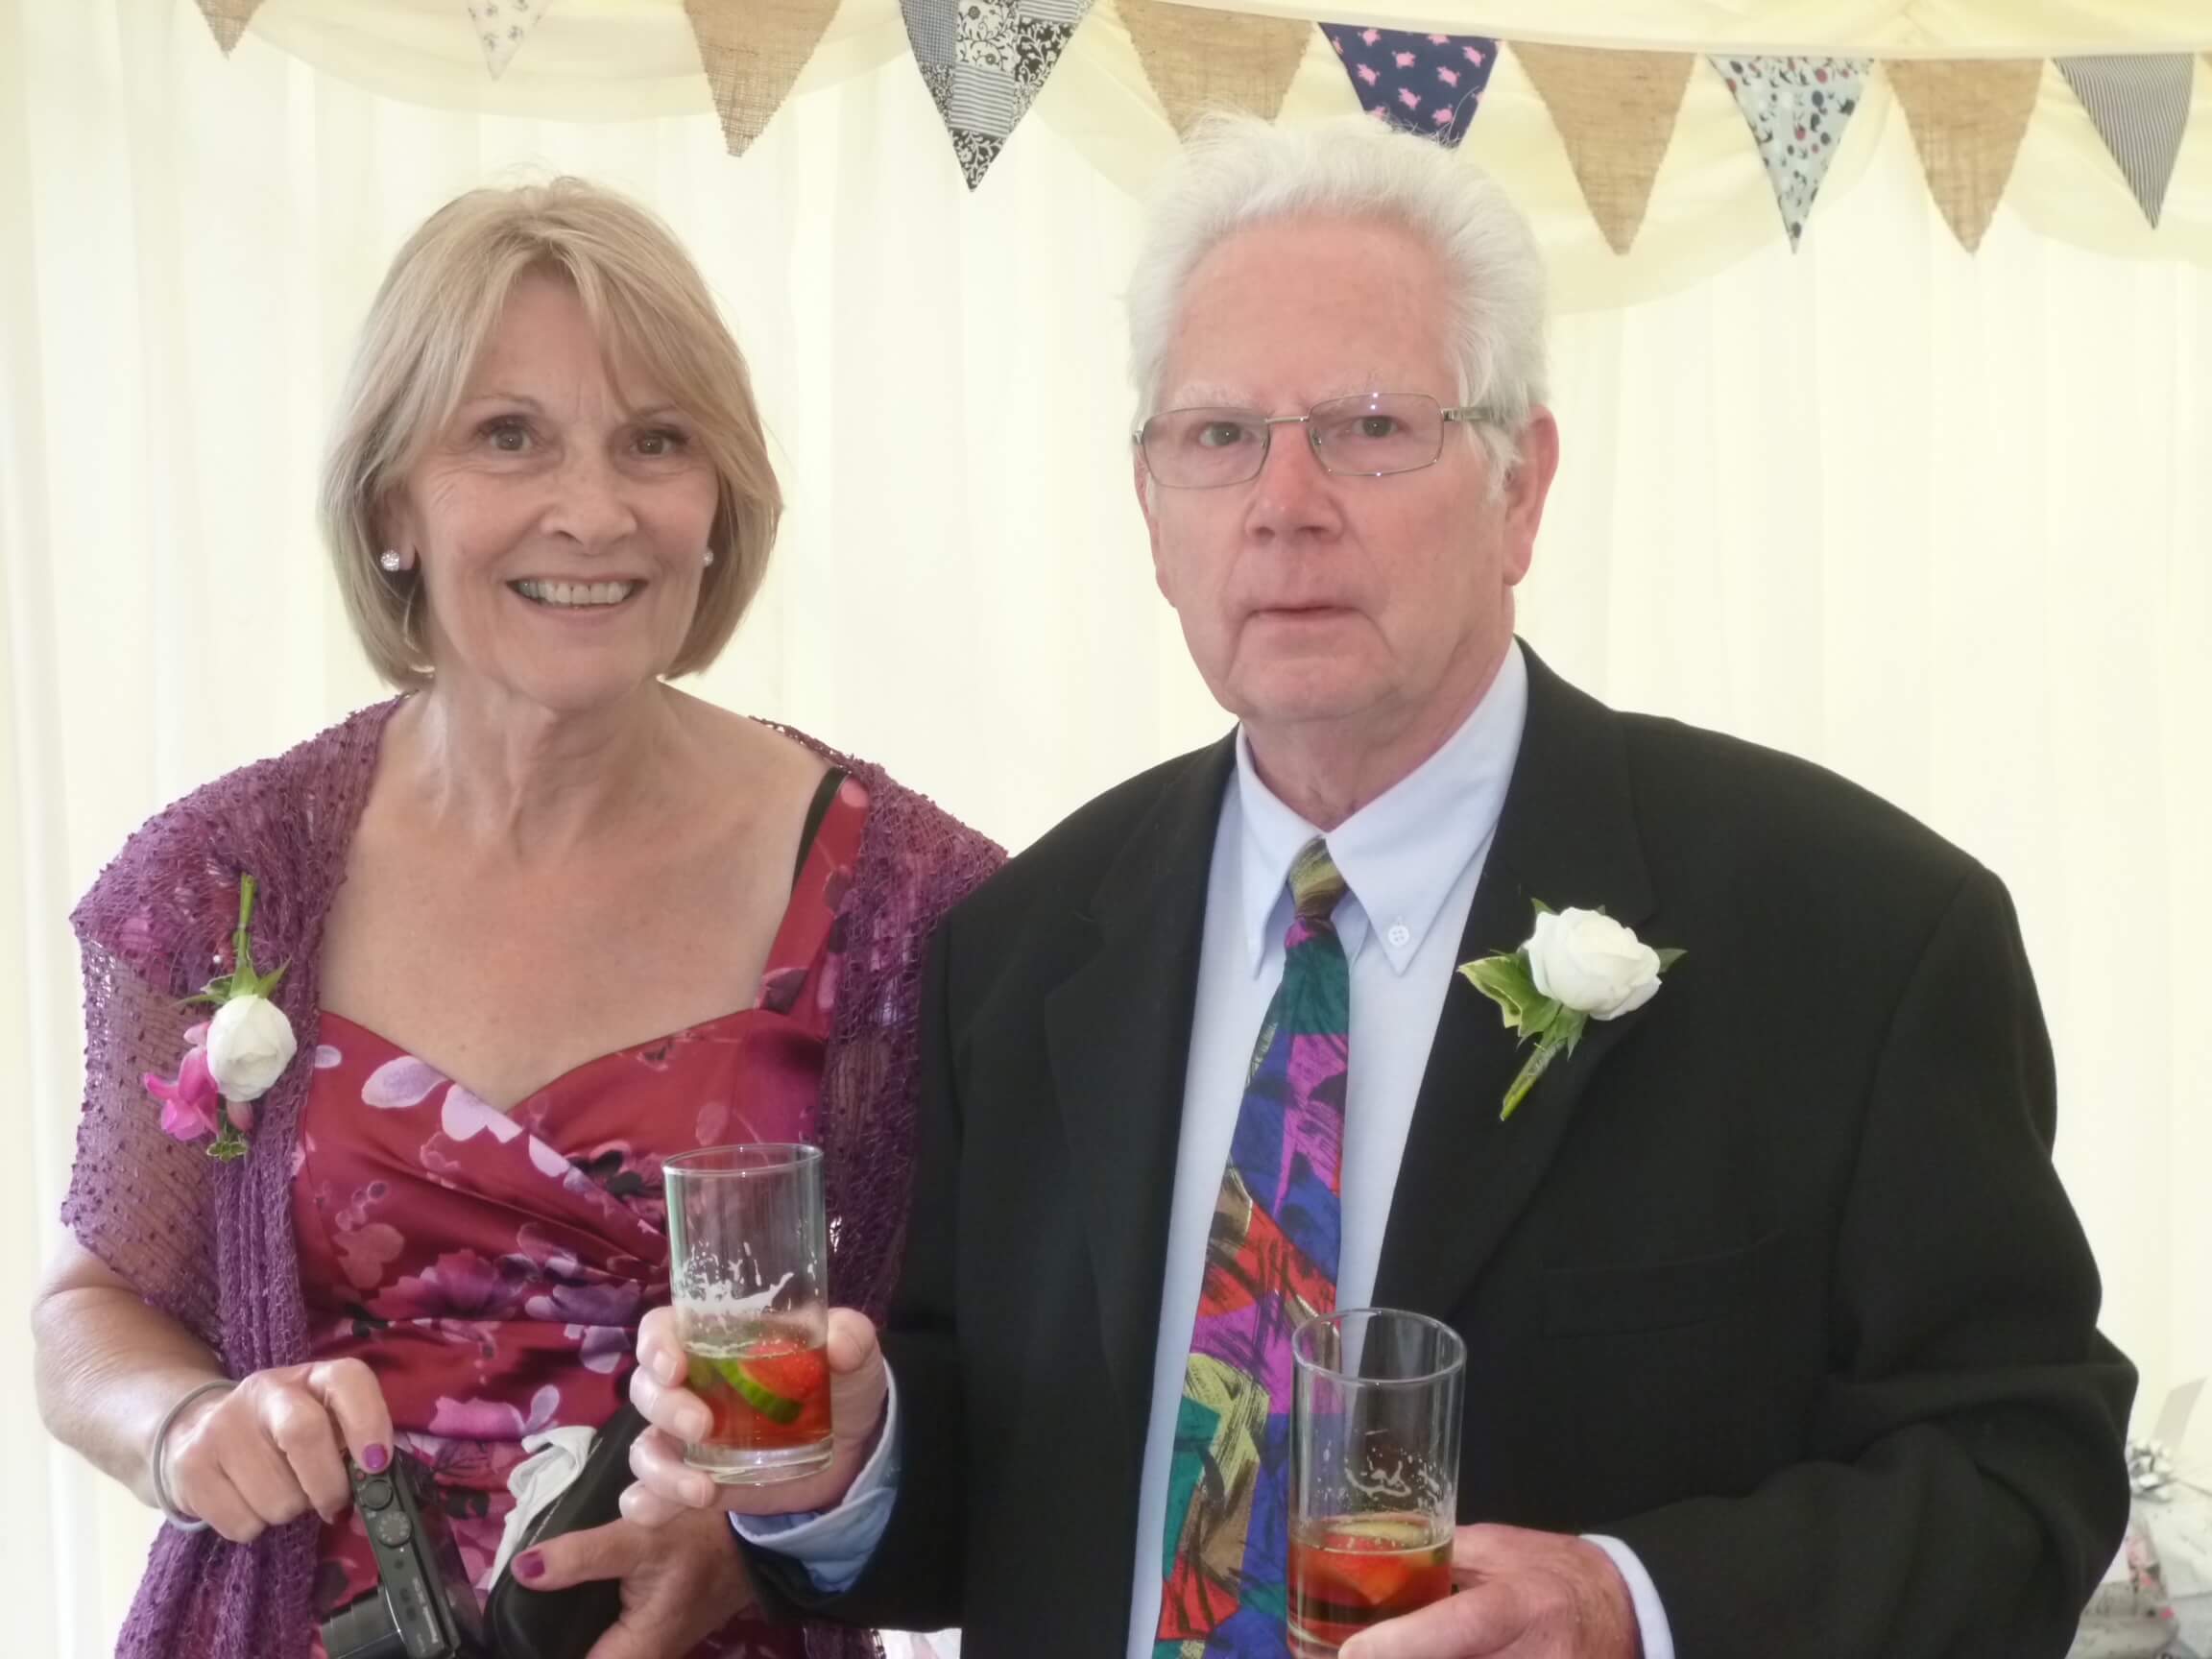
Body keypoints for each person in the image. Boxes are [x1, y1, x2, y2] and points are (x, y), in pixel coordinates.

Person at [620, 115, 2135, 1658]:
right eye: (1218, 437)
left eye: (1368, 426)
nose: (1286, 501)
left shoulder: (1856, 934)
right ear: (1152, 510)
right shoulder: (1021, 950)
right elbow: (1015, 1503)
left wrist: (1638, 1608)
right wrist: (855, 1459)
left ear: (1521, 488)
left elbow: (2024, 1475)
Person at [32, 179, 1000, 1659]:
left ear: (717, 503)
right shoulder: (223, 879)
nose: (595, 511)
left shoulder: (917, 906)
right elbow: (89, 1304)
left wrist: (788, 1522)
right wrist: (189, 1430)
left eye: (656, 443)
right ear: (390, 505)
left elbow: (1002, 1392)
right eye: (508, 437)